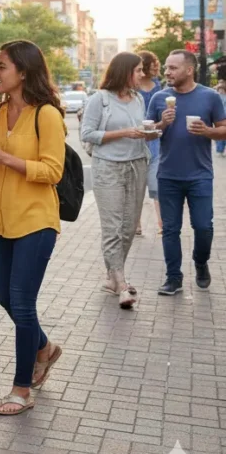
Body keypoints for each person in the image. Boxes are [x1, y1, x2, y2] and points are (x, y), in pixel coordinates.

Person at [0, 41, 65, 416]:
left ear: (23, 72)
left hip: (36, 220)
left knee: (23, 304)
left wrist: (6, 157)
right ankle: (45, 348)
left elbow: (53, 171)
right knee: (6, 299)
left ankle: (20, 389)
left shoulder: (47, 115)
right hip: (1, 220)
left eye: (2, 66)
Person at [79, 53, 158, 309]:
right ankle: (122, 284)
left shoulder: (136, 99)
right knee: (113, 228)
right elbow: (88, 134)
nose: (141, 75)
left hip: (137, 164)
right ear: (124, 71)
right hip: (108, 168)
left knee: (127, 228)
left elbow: (140, 133)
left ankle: (112, 278)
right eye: (137, 71)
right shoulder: (99, 100)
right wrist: (125, 132)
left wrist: (154, 130)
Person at [147, 50, 226, 295]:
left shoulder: (210, 97)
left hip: (200, 175)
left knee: (203, 226)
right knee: (170, 229)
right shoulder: (160, 98)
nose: (167, 72)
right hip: (168, 174)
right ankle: (174, 278)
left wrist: (207, 131)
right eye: (167, 67)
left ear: (189, 70)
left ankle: (201, 263)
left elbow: (223, 129)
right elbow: (148, 134)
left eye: (173, 68)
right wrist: (162, 123)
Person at [136, 51, 163, 234]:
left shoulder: (158, 86)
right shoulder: (133, 86)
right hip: (136, 137)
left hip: (155, 139)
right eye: (153, 62)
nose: (156, 66)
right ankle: (135, 224)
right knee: (137, 184)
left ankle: (162, 223)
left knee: (157, 182)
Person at [216, 82, 226, 157]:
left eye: (222, 89)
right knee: (220, 134)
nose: (220, 91)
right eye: (219, 89)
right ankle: (220, 150)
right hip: (220, 118)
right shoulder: (216, 97)